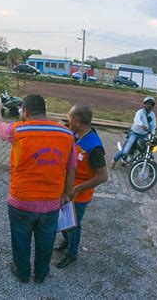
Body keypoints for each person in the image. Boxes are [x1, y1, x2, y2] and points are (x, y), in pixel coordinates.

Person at [0, 94, 76, 284]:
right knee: (46, 241)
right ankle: (40, 274)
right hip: (52, 202)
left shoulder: (18, 130)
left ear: (26, 111)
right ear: (44, 111)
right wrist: (65, 194)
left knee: (20, 240)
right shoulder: (66, 133)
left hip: (21, 201)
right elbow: (72, 168)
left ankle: (22, 273)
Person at [54, 104, 108, 268]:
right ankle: (67, 241)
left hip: (78, 195)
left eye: (69, 118)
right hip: (67, 190)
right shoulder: (75, 134)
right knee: (64, 220)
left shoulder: (94, 146)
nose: (67, 120)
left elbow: (103, 176)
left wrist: (77, 189)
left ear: (76, 121)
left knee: (73, 225)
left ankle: (72, 254)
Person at [111, 96, 157, 169]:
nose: (149, 106)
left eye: (151, 104)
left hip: (144, 135)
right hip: (135, 133)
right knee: (126, 150)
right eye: (148, 103)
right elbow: (136, 119)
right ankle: (114, 160)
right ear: (144, 104)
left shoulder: (152, 115)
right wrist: (141, 125)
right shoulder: (140, 112)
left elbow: (154, 125)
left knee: (148, 152)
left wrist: (153, 133)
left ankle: (153, 170)